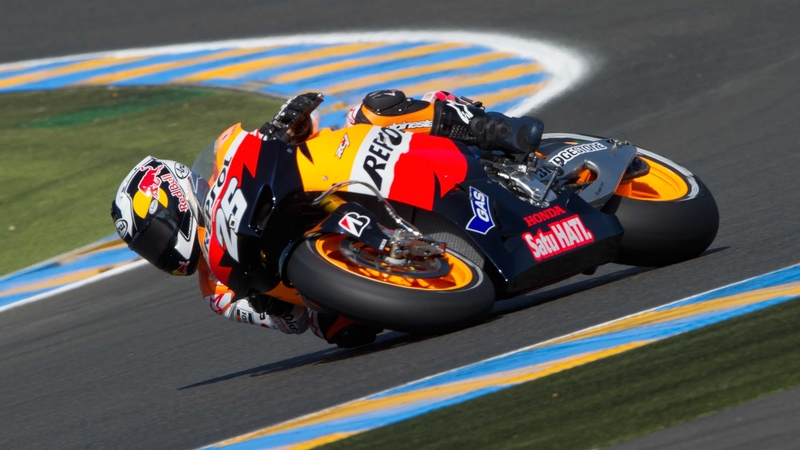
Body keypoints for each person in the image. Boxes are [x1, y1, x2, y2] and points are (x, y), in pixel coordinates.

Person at [110, 89, 544, 348]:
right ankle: (417, 268)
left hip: (334, 178)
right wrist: (292, 306)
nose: (161, 252)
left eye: (155, 236)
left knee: (371, 109)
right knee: (339, 330)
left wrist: (287, 125)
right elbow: (292, 321)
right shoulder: (216, 290)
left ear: (175, 197)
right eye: (149, 250)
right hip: (330, 266)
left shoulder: (227, 149)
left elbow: (306, 126)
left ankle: (491, 129)